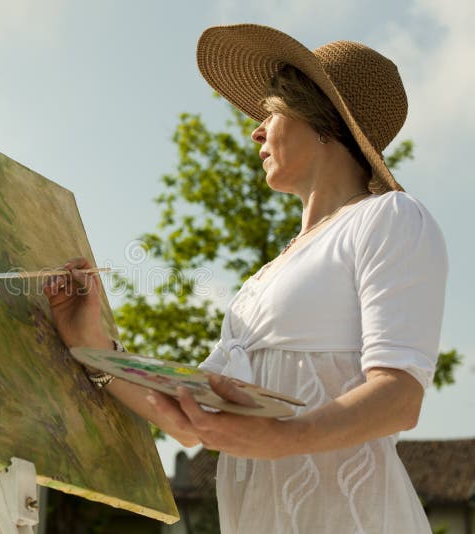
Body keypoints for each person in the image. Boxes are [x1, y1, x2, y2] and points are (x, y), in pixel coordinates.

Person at [43, 24, 448, 534]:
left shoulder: (389, 217)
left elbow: (399, 398)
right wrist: (90, 341)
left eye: (269, 113)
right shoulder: (265, 278)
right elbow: (183, 418)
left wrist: (284, 438)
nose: (255, 131)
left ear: (322, 123)